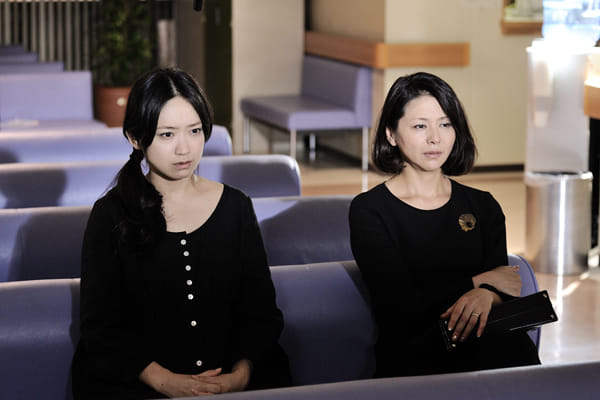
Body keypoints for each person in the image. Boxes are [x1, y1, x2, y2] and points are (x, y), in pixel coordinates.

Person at [72, 68, 291, 399]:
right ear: (135, 137)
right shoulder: (110, 215)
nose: (184, 149)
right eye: (167, 135)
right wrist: (165, 382)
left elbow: (260, 313)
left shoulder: (236, 207)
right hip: (138, 385)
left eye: (194, 131)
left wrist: (239, 376)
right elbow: (101, 326)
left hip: (233, 384)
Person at [349, 72, 540, 378]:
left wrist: (487, 295)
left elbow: (506, 285)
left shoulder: (483, 205)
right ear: (391, 134)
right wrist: (477, 283)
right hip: (414, 355)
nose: (435, 138)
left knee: (510, 347)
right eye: (420, 126)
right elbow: (399, 307)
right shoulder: (369, 211)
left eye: (445, 124)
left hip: (487, 344)